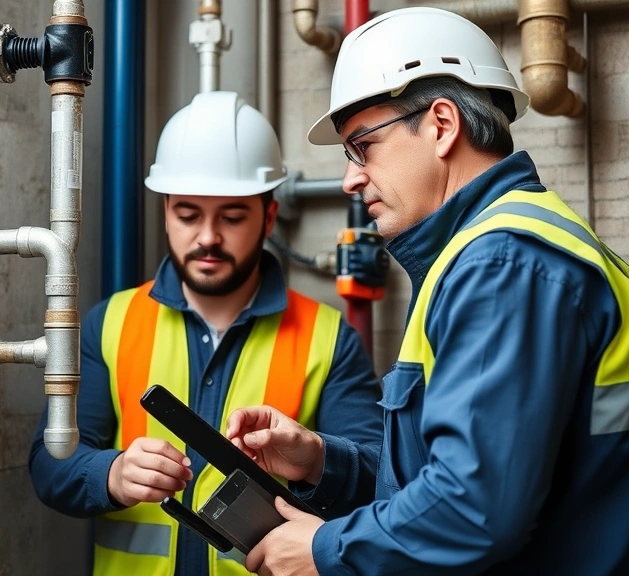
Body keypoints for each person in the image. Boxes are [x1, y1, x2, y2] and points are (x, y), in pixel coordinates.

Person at [226, 7, 629, 576]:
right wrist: (320, 461)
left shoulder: (503, 264)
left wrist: (324, 551)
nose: (350, 178)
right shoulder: (493, 251)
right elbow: (442, 473)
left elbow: (474, 507)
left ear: (441, 124)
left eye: (363, 146)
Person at [28, 90, 383, 576]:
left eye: (233, 216)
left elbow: (376, 478)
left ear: (269, 217)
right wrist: (110, 473)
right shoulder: (110, 322)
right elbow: (50, 466)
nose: (209, 237)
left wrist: (316, 460)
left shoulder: (329, 338)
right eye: (189, 214)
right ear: (166, 210)